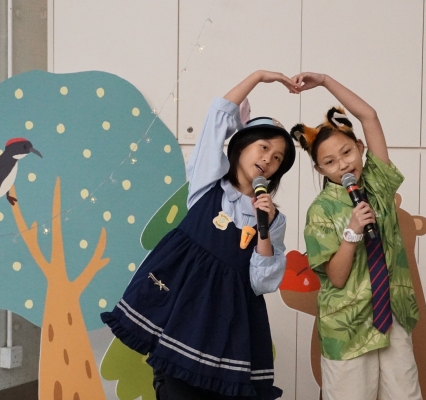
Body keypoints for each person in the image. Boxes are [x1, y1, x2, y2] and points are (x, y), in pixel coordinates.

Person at [101, 70, 298, 400]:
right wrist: (259, 76)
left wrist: (263, 227)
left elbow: (263, 282)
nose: (268, 159)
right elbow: (219, 113)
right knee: (177, 386)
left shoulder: (274, 219)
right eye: (263, 147)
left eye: (277, 158)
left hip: (229, 316)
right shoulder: (209, 182)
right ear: (241, 147)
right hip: (184, 302)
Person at [290, 72, 422, 400]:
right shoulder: (320, 211)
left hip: (392, 316)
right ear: (320, 169)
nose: (343, 164)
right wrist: (352, 232)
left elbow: (369, 116)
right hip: (347, 327)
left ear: (360, 148)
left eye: (347, 152)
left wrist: (325, 81)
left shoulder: (377, 185)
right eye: (330, 161)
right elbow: (336, 278)